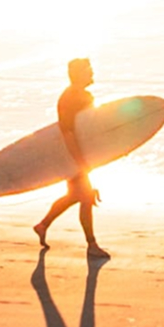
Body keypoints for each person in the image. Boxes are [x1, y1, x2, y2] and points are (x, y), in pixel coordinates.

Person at [33, 57, 107, 258]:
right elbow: (68, 132)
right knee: (85, 197)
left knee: (77, 195)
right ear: (78, 74)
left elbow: (90, 129)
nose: (92, 73)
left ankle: (43, 225)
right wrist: (80, 163)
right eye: (88, 70)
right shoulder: (71, 98)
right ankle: (91, 245)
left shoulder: (82, 95)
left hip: (79, 154)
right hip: (71, 155)